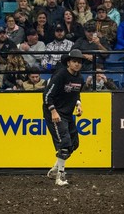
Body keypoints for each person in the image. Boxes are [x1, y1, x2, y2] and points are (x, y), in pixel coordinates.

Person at [43, 48, 85, 186]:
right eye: (74, 61)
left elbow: (76, 93)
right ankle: (60, 176)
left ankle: (55, 169)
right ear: (68, 63)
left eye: (79, 62)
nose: (77, 64)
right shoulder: (60, 75)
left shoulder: (79, 78)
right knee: (65, 143)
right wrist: (53, 111)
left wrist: (78, 104)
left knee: (74, 143)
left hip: (67, 113)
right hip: (55, 112)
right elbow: (47, 95)